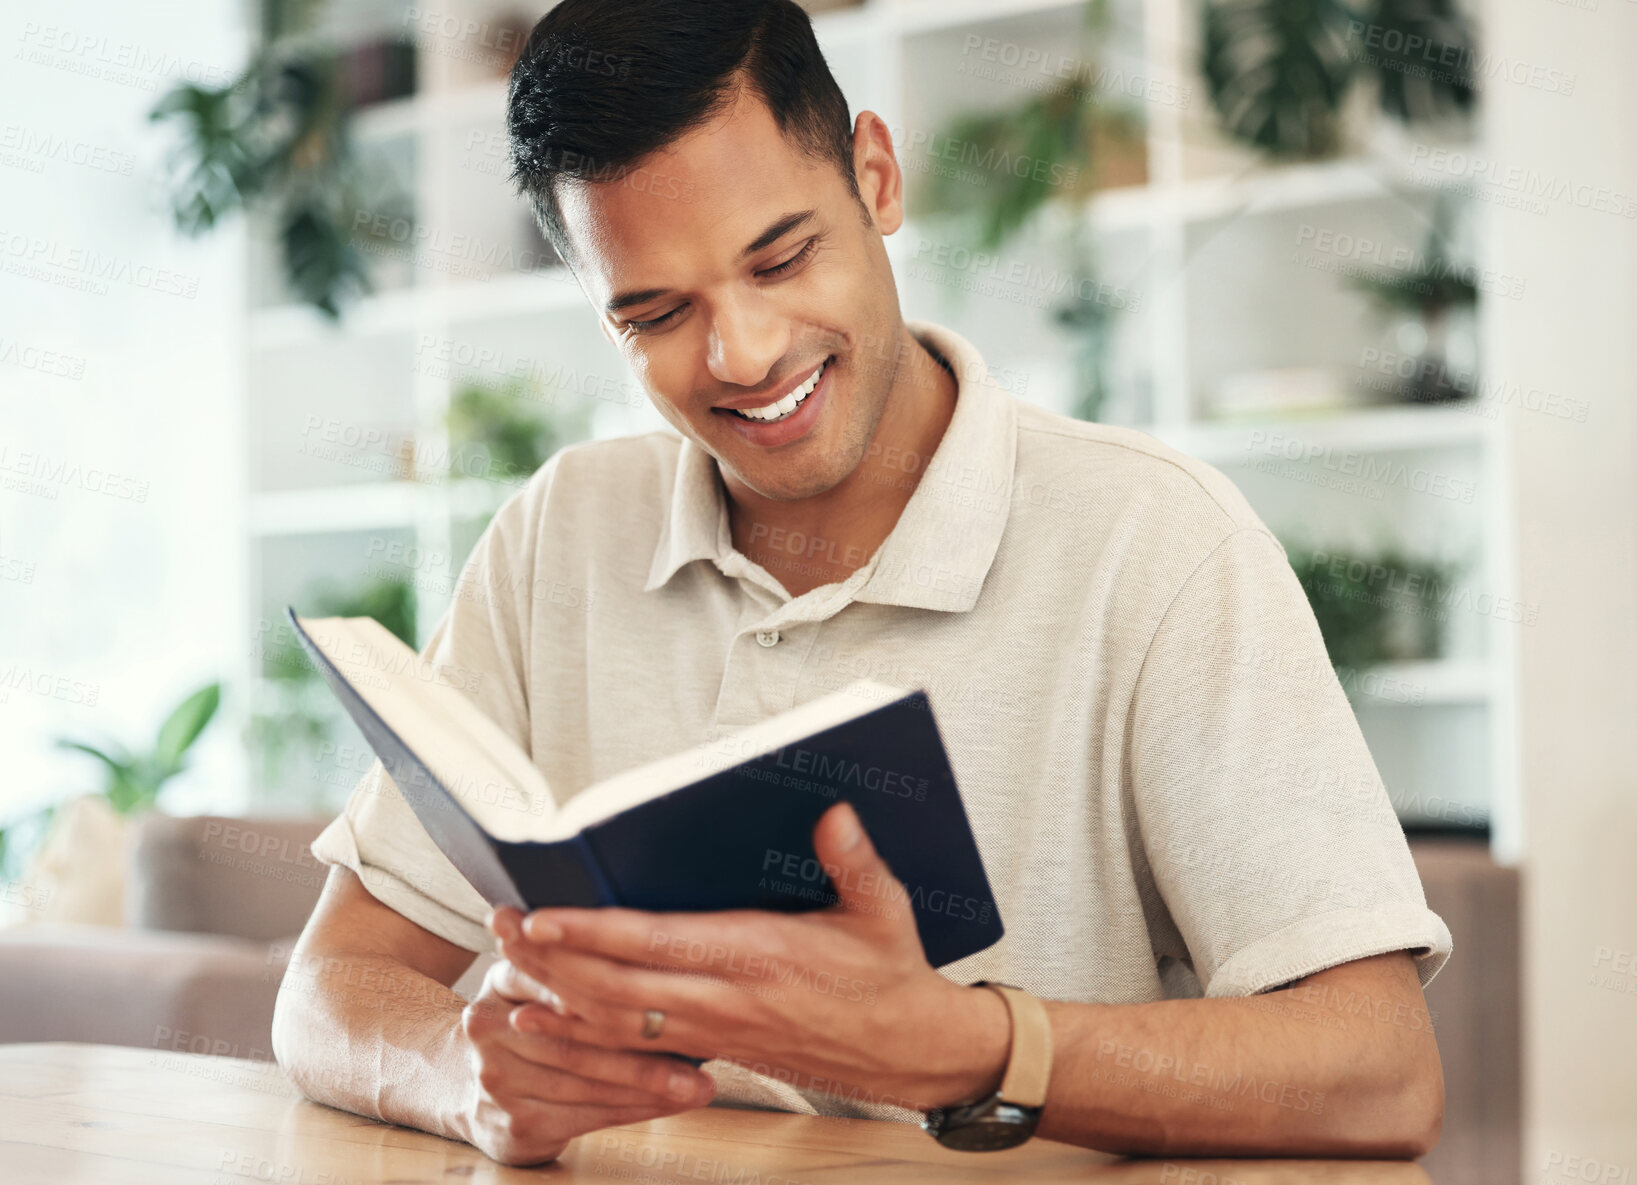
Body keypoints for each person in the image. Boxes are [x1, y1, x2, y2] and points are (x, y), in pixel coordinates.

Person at [274, 0, 1452, 1165]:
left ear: (876, 178)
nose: (742, 354)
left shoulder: (1160, 546)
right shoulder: (558, 535)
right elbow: (330, 986)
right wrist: (461, 1076)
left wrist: (971, 1049)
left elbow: (1379, 1073)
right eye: (656, 313)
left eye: (781, 257)